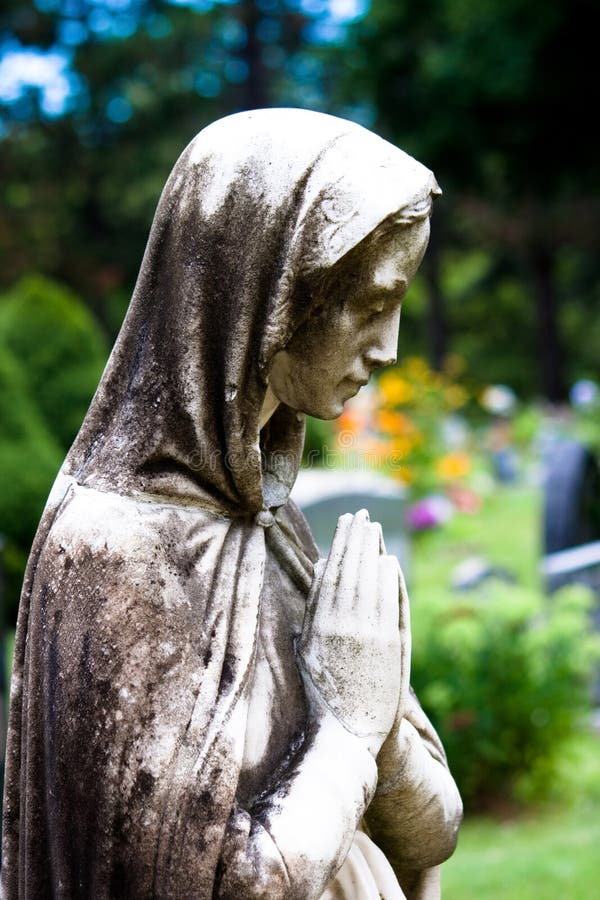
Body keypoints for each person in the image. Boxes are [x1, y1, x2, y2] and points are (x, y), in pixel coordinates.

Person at [1, 109, 462, 899]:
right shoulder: (115, 554)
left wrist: (375, 723)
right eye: (368, 302)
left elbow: (435, 829)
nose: (387, 347)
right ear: (268, 294)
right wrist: (349, 735)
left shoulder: (268, 519)